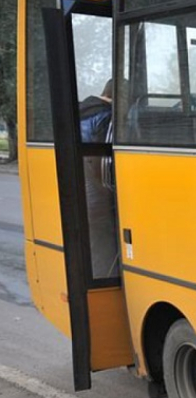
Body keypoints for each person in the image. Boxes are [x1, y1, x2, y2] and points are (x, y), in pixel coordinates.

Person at [79, 80, 120, 278]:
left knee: (95, 246)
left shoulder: (81, 111)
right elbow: (101, 162)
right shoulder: (106, 116)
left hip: (83, 191)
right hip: (99, 196)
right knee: (105, 249)